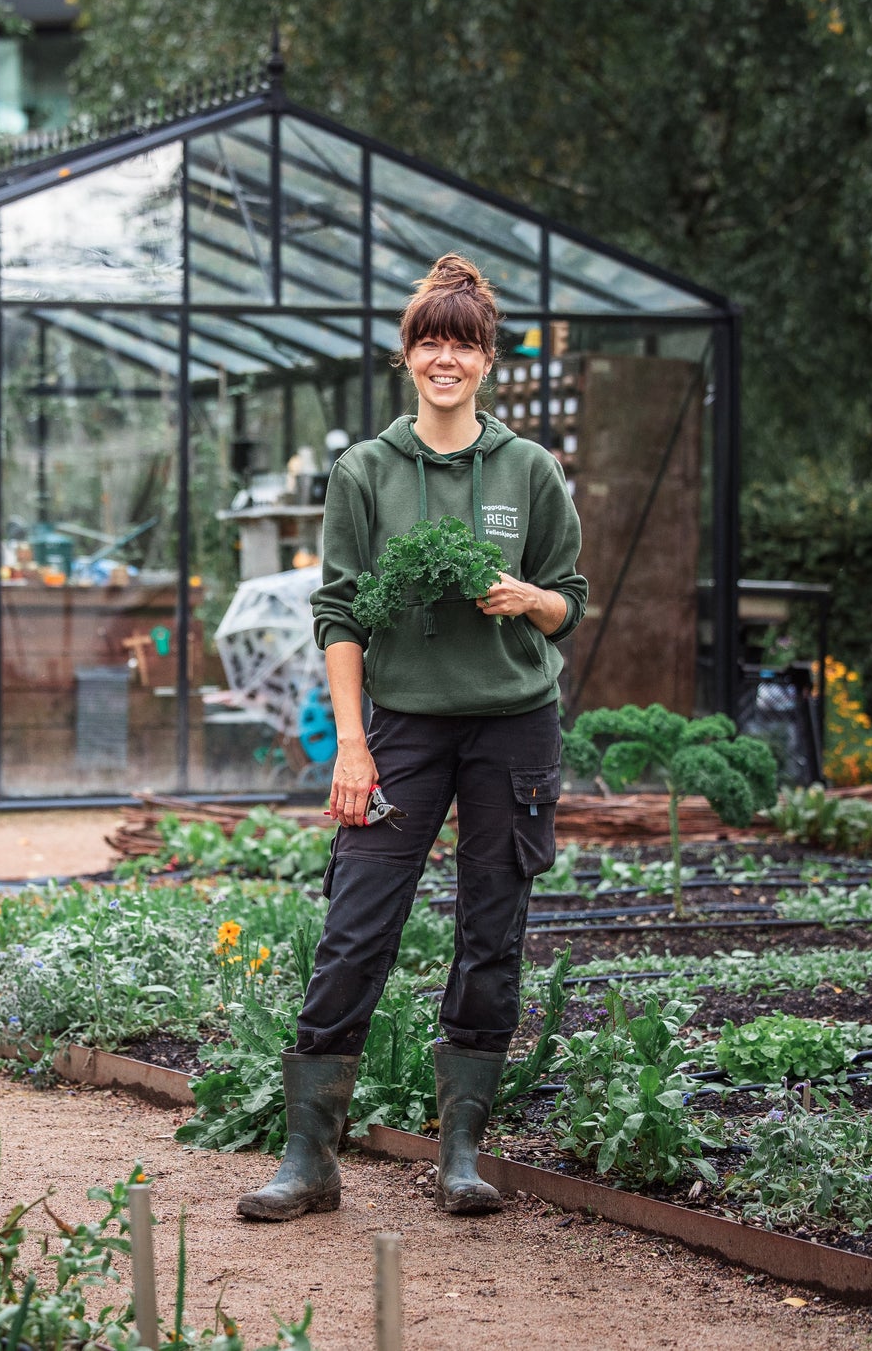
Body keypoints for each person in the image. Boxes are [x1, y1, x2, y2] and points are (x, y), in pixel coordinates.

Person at [237, 255, 588, 1222]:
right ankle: (308, 1155)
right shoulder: (365, 470)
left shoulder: (527, 468)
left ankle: (461, 1154)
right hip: (397, 728)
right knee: (354, 926)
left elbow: (571, 604)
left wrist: (529, 599)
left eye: (462, 343)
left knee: (491, 929)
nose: (445, 357)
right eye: (429, 341)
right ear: (407, 356)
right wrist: (352, 747)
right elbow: (339, 613)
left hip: (514, 725)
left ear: (487, 360)